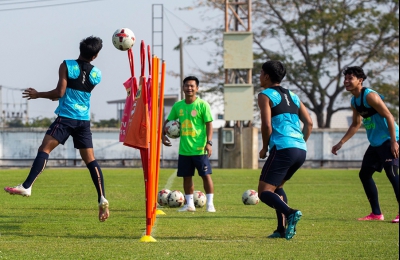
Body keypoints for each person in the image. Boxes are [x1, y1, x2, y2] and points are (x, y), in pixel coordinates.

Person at [4, 36, 109, 222]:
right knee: (90, 160)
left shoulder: (67, 65)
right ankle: (102, 197)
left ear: (80, 49)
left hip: (66, 118)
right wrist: (60, 96)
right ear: (95, 56)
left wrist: (38, 95)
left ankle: (27, 186)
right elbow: (75, 90)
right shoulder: (97, 74)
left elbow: (60, 92)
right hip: (83, 121)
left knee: (44, 149)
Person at [331, 66, 399, 223]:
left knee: (392, 172)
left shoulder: (370, 96)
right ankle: (376, 214)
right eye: (345, 78)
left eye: (350, 78)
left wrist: (394, 141)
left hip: (390, 139)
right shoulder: (354, 101)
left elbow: (389, 116)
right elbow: (355, 124)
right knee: (364, 174)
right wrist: (340, 143)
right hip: (376, 142)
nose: (346, 82)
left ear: (360, 81)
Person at [257, 60, 313, 240]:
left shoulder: (265, 95)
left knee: (264, 192)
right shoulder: (294, 96)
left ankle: (290, 213)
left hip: (283, 147)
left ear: (266, 75)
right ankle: (281, 230)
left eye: (260, 73)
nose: (259, 76)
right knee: (278, 186)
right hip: (300, 149)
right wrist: (299, 143)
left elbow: (266, 125)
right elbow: (309, 123)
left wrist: (265, 147)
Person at [162, 76, 216, 213]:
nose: (189, 88)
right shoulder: (178, 106)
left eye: (192, 86)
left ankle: (210, 204)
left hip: (200, 149)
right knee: (187, 177)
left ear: (197, 88)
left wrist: (209, 143)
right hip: (184, 149)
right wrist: (162, 135)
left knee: (206, 175)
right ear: (183, 88)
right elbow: (167, 122)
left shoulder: (202, 105)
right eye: (187, 85)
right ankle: (190, 205)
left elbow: (210, 124)